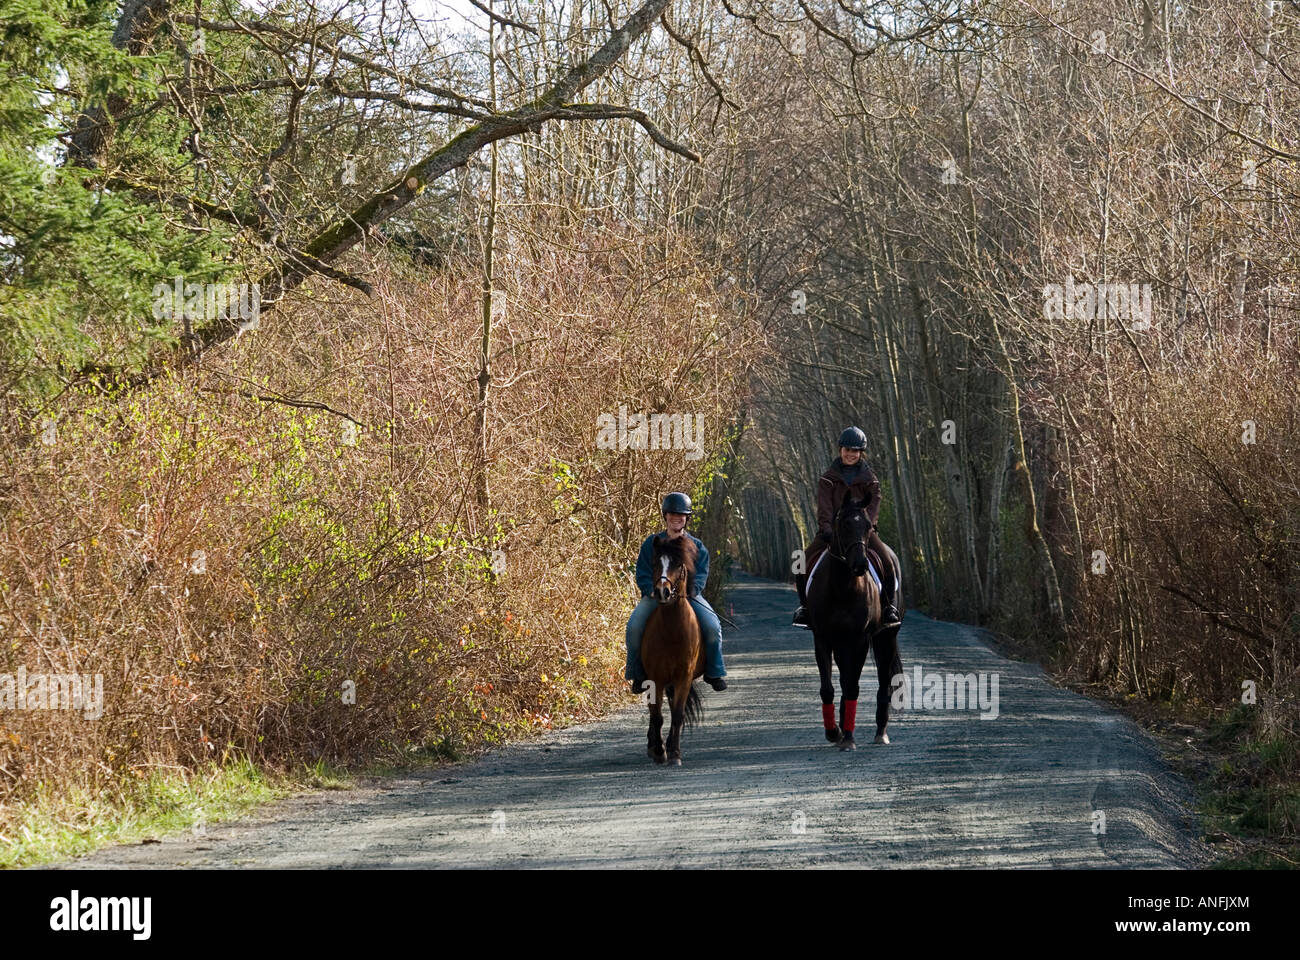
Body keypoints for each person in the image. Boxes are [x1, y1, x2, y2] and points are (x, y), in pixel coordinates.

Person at [792, 426, 902, 629]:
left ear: (861, 453)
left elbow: (874, 505)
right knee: (800, 562)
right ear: (840, 449)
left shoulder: (871, 480)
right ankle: (805, 608)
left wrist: (867, 527)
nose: (850, 454)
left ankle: (888, 608)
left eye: (855, 451)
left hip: (862, 532)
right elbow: (824, 505)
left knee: (888, 563)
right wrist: (826, 528)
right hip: (832, 532)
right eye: (847, 450)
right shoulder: (827, 478)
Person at [625, 492, 728, 694]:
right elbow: (643, 571)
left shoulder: (696, 546)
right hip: (657, 595)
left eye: (681, 515)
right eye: (672, 514)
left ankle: (714, 671)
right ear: (665, 516)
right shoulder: (652, 543)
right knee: (634, 627)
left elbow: (701, 574)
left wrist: (691, 592)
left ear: (687, 519)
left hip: (687, 597)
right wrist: (649, 590)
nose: (676, 518)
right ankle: (637, 673)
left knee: (712, 626)